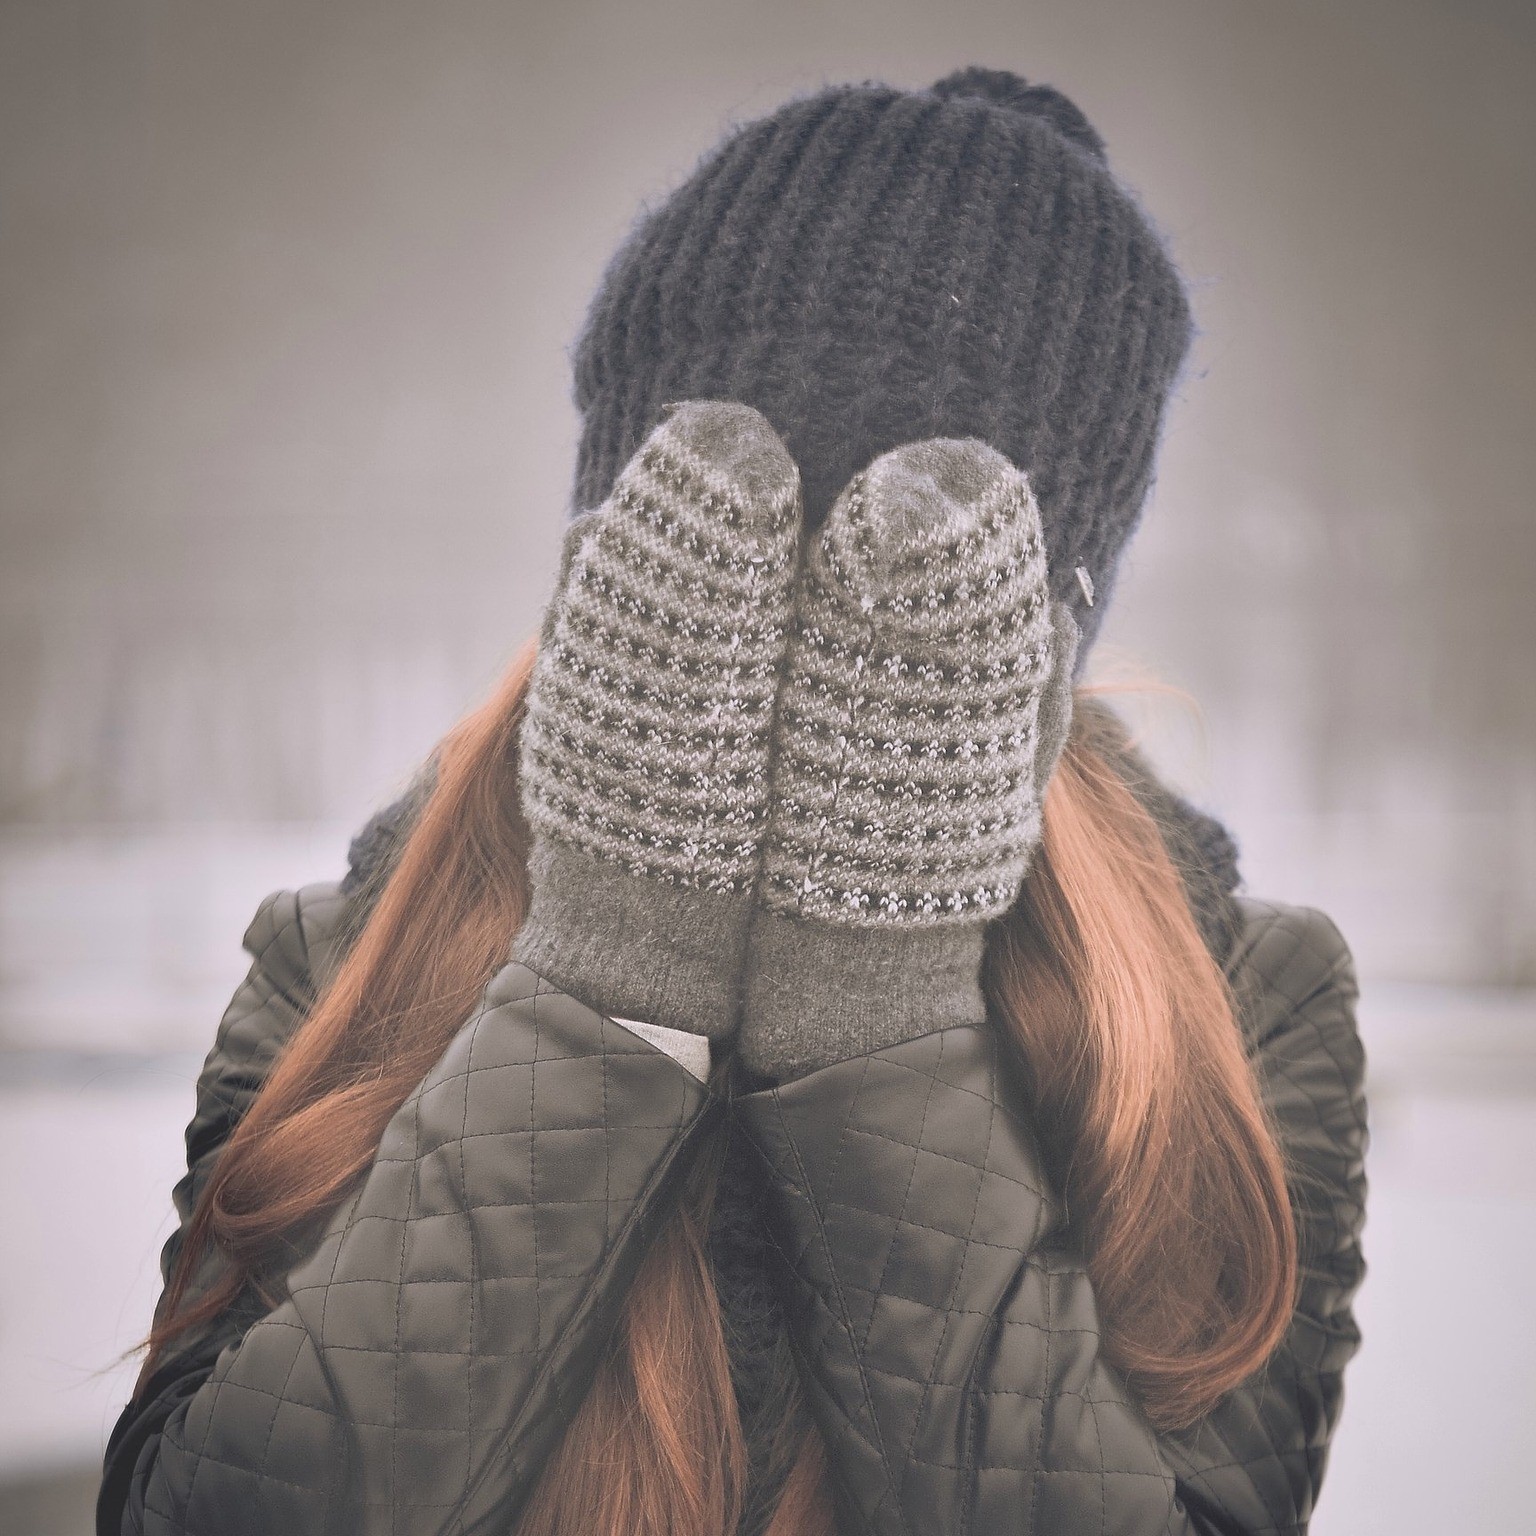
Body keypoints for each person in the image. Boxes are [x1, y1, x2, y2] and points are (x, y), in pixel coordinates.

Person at [97, 67, 1368, 1536]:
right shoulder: (346, 963)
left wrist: (879, 1020)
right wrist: (599, 986)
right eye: (735, 540)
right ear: (618, 565)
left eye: (908, 580)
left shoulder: (1242, 1009)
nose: (804, 631)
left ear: (1037, 635)